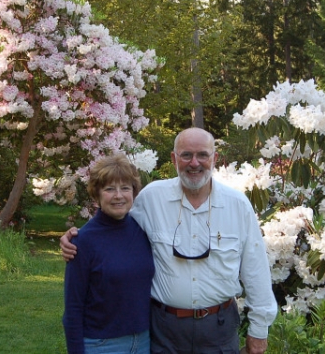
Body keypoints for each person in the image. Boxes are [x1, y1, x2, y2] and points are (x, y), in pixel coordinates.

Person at [61, 128, 277, 354]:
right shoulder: (152, 198)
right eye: (186, 155)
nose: (194, 163)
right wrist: (77, 238)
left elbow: (255, 269)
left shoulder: (237, 205)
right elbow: (113, 219)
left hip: (219, 329)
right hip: (165, 331)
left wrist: (259, 330)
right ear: (174, 159)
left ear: (214, 158)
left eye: (202, 155)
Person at [63, 153, 155, 354]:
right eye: (109, 189)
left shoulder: (144, 230)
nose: (118, 195)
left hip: (144, 342)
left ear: (134, 192)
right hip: (101, 345)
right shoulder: (83, 241)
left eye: (125, 188)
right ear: (96, 194)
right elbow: (73, 307)